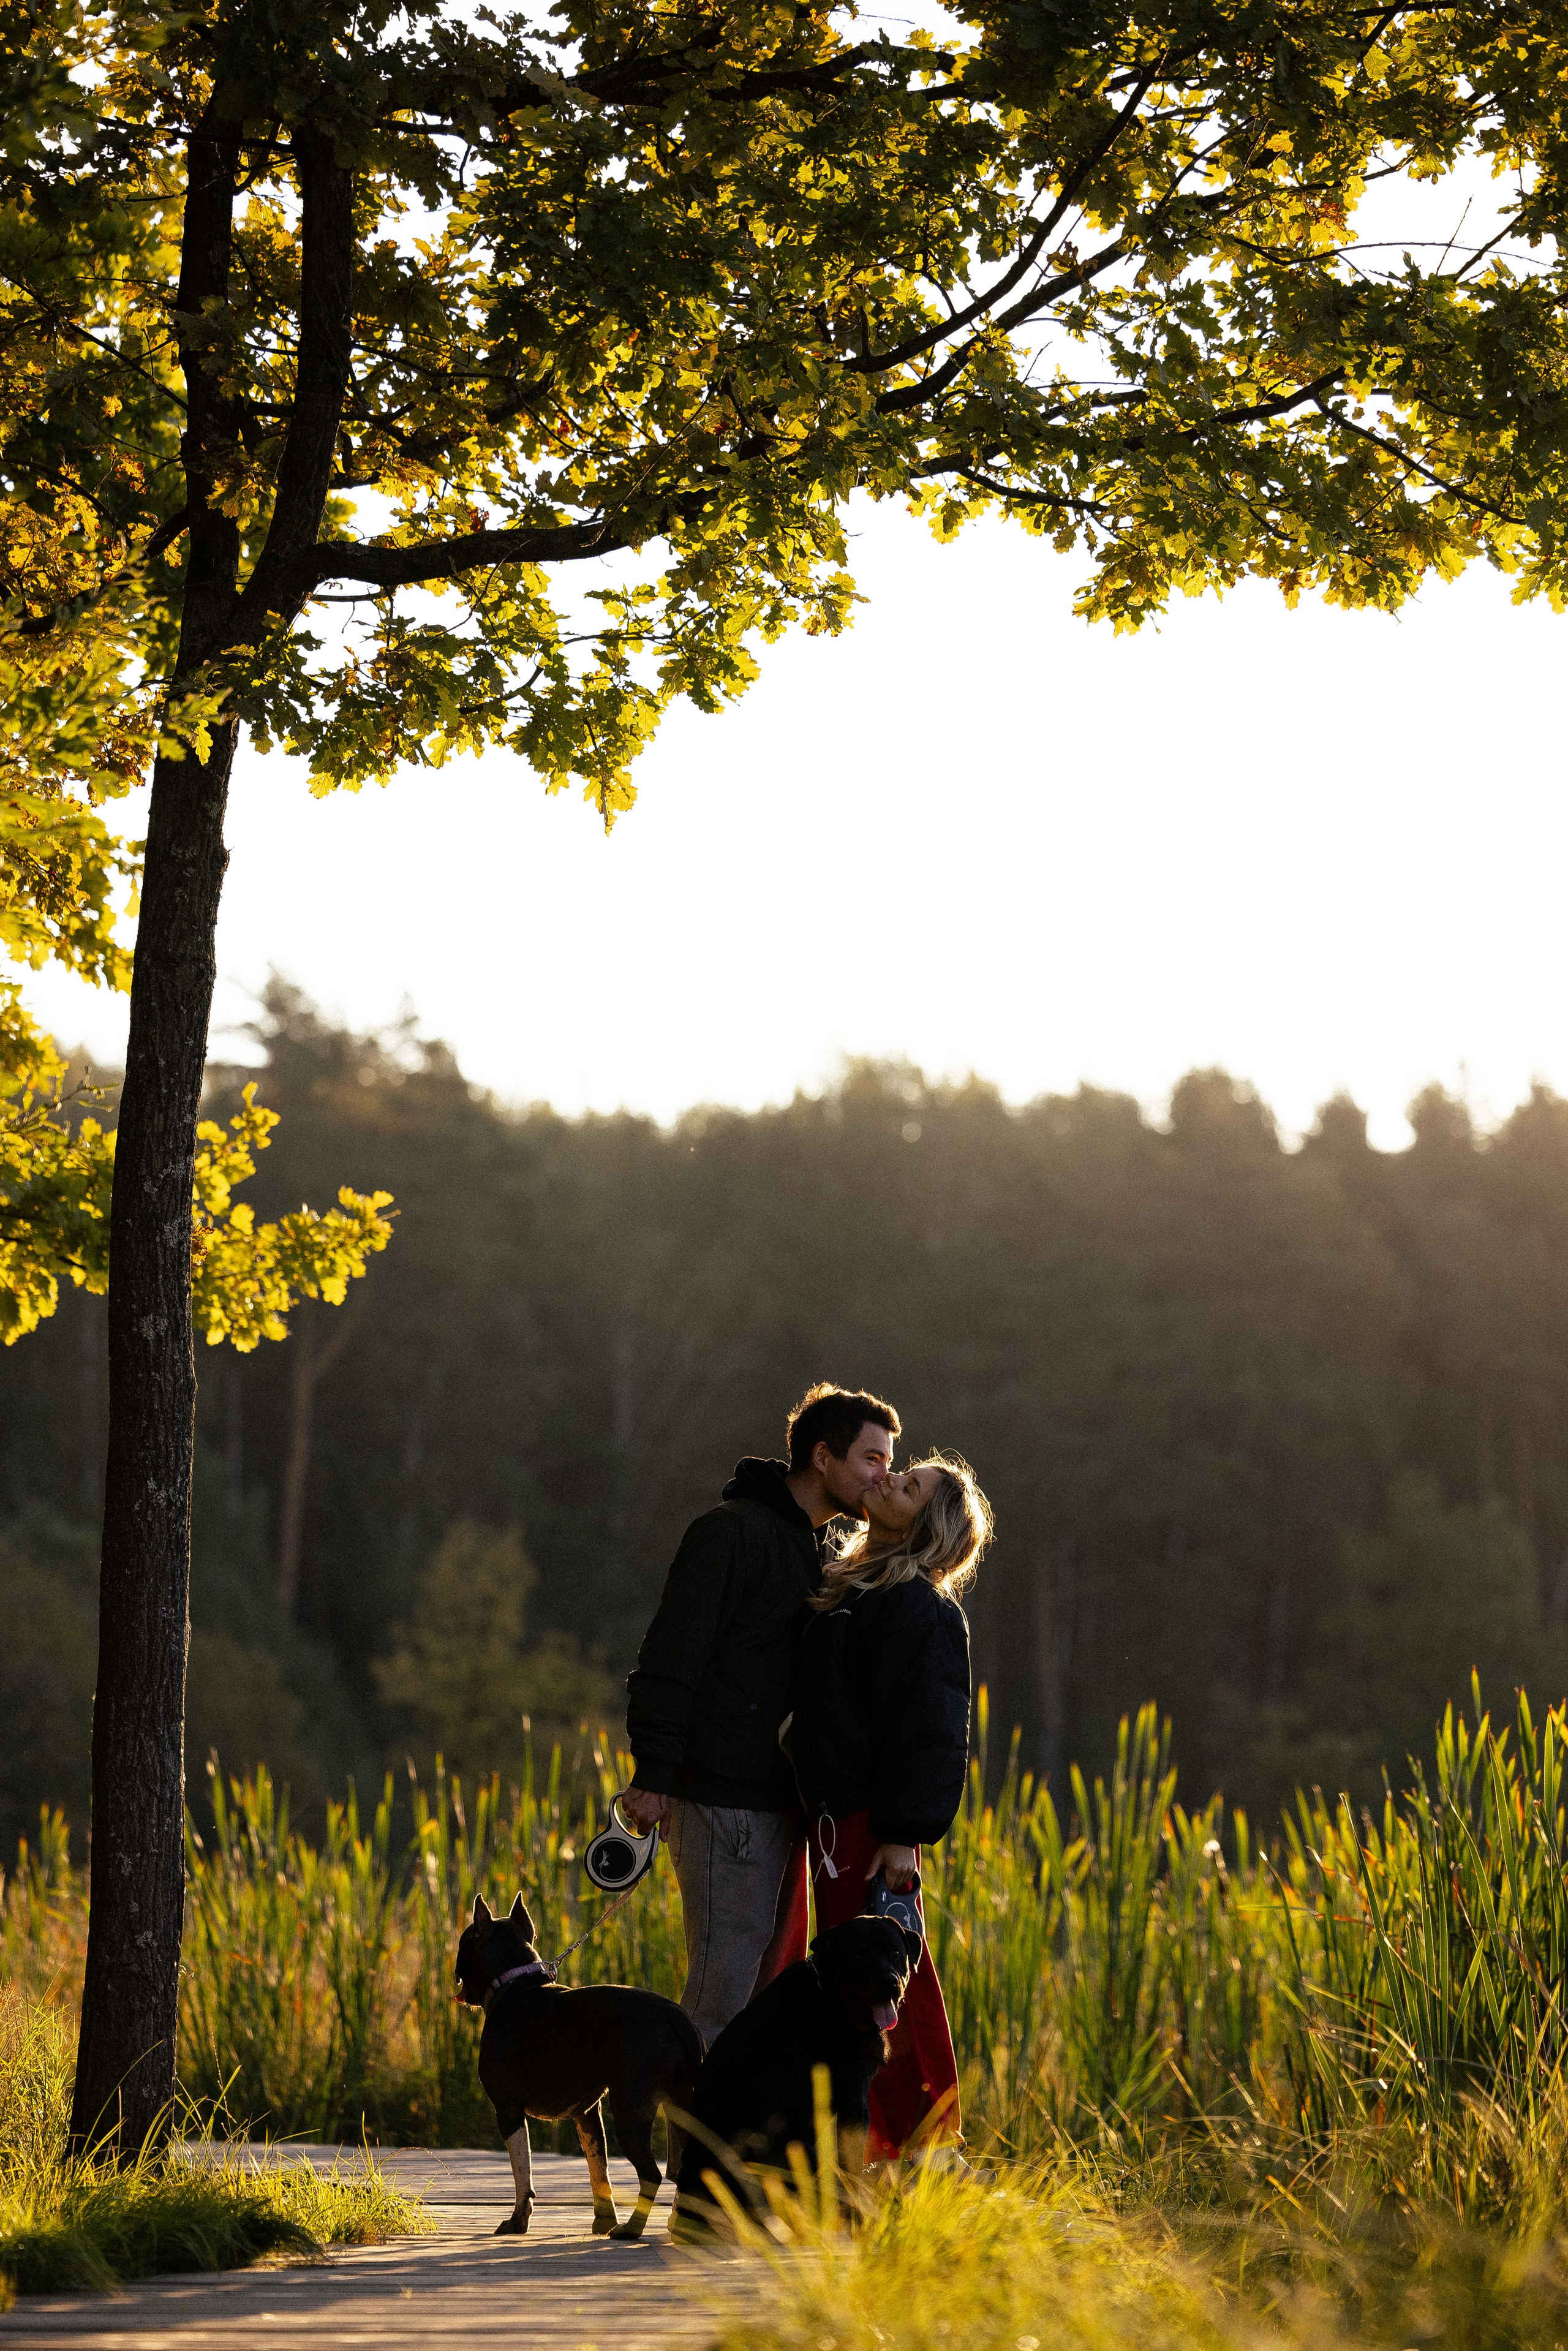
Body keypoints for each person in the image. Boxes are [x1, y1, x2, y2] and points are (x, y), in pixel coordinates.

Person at [623, 1384, 902, 2050]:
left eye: (889, 1461)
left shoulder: (816, 1549)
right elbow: (670, 1658)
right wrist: (653, 1773)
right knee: (717, 1998)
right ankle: (692, 2158)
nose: (882, 1475)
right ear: (822, 1456)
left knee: (753, 2001)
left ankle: (731, 2152)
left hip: (778, 1806)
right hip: (721, 1799)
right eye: (870, 1457)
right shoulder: (730, 1534)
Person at [788, 1451, 993, 2160]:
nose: (886, 1480)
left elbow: (931, 1729)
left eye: (906, 1486)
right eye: (896, 1473)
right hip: (830, 1821)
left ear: (926, 1524)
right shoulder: (855, 1588)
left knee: (889, 1977)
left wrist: (904, 1835)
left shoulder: (920, 1608)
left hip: (871, 1824)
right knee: (858, 1978)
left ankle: (930, 2143)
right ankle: (877, 2145)